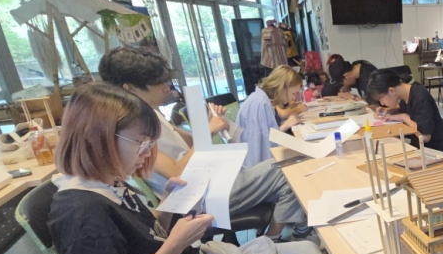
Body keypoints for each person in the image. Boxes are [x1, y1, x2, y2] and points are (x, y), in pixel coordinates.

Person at [47, 82, 336, 254]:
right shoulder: (82, 214)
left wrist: (167, 205)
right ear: (99, 137)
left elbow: (142, 240)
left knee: (310, 252)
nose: (147, 153)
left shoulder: (106, 183)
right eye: (141, 143)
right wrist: (173, 246)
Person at [98, 47, 315, 240]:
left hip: (209, 182)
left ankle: (281, 234)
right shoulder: (131, 131)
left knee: (287, 171)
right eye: (157, 82)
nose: (166, 87)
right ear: (130, 88)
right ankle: (277, 237)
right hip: (196, 198)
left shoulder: (152, 115)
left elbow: (192, 142)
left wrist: (209, 122)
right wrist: (208, 131)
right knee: (287, 168)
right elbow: (175, 172)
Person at [365, 68, 443, 159]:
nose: (382, 103)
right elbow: (407, 108)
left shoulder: (420, 97)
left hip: (436, 152)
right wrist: (388, 111)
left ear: (391, 91)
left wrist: (404, 117)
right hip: (419, 148)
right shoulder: (406, 93)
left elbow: (425, 137)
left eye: (381, 99)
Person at [238, 66, 307, 168]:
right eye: (293, 93)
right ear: (282, 87)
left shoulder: (262, 100)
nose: (294, 98)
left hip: (257, 164)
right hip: (255, 169)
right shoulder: (260, 105)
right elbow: (260, 153)